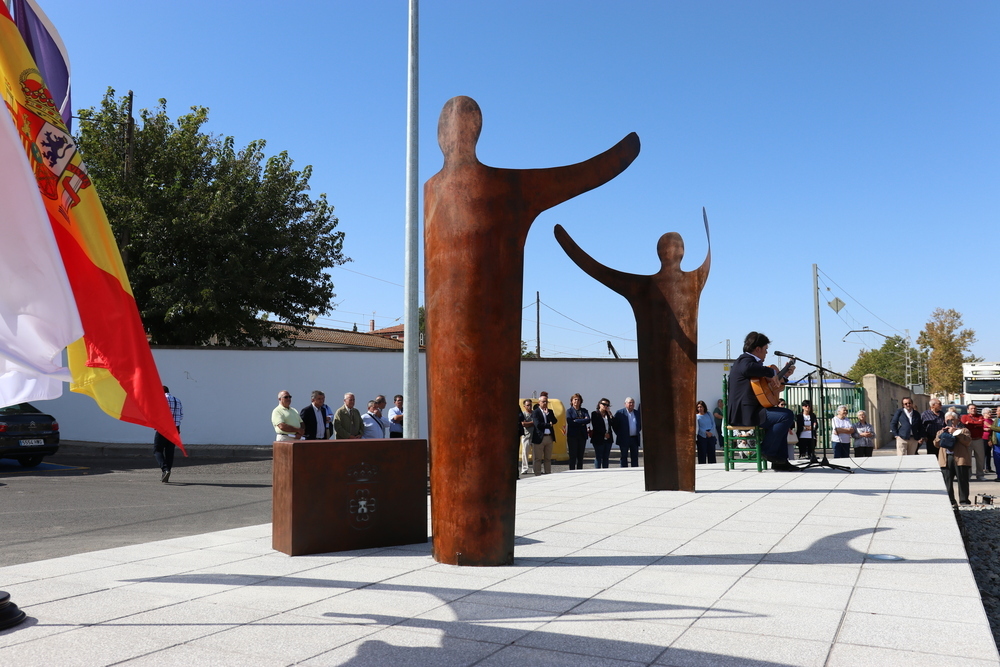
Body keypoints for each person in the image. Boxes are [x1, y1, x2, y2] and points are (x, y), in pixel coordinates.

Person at [726, 331, 798, 471]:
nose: (766, 353)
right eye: (765, 350)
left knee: (784, 416)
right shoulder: (745, 360)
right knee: (785, 416)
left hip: (755, 410)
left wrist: (784, 375)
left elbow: (766, 387)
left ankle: (780, 461)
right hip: (745, 413)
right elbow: (749, 369)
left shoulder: (755, 366)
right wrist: (772, 373)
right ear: (757, 349)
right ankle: (768, 451)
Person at [937, 412, 972, 506]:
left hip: (960, 459)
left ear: (957, 420)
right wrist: (942, 435)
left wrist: (955, 432)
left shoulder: (964, 430)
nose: (950, 421)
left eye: (952, 419)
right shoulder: (941, 431)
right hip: (946, 459)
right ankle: (950, 501)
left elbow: (967, 442)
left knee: (962, 480)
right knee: (947, 481)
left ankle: (964, 500)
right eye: (947, 420)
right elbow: (935, 444)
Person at [153, 386, 183, 483]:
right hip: (174, 430)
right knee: (170, 453)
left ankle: (165, 469)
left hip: (163, 429)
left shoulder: (161, 400)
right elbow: (180, 416)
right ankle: (167, 472)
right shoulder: (177, 400)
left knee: (157, 450)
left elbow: (157, 413)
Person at [531, 394, 558, 475]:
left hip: (549, 437)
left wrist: (548, 414)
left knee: (548, 458)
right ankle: (537, 474)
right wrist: (548, 425)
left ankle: (548, 473)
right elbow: (538, 424)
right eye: (543, 401)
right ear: (539, 402)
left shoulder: (550, 411)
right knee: (538, 458)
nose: (545, 403)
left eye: (546, 401)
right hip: (539, 438)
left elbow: (555, 421)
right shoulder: (536, 412)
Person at [612, 397, 642, 467]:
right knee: (624, 456)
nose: (631, 404)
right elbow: (615, 425)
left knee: (634, 457)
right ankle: (623, 470)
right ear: (625, 404)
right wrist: (619, 434)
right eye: (629, 402)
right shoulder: (620, 413)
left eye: (633, 402)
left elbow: (640, 425)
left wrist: (636, 431)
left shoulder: (637, 413)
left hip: (634, 438)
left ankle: (635, 471)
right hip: (624, 438)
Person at [961, 404, 987, 480]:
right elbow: (966, 425)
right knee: (968, 458)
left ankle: (980, 475)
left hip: (978, 439)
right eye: (971, 408)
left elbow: (981, 424)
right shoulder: (964, 417)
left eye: (975, 408)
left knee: (980, 458)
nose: (973, 409)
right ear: (968, 409)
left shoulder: (980, 416)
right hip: (968, 440)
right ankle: (968, 475)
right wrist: (975, 424)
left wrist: (971, 423)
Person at [565, 393, 590, 470]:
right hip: (573, 436)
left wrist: (577, 420)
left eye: (578, 399)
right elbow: (570, 422)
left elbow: (588, 420)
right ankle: (571, 471)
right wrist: (582, 421)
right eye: (575, 399)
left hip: (582, 435)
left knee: (580, 456)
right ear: (572, 401)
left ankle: (580, 470)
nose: (577, 401)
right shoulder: (569, 411)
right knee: (573, 455)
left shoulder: (584, 410)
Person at [590, 398, 614, 468]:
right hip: (598, 438)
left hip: (608, 439)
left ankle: (605, 471)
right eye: (603, 404)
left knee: (606, 457)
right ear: (599, 404)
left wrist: (610, 414)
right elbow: (596, 426)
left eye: (607, 405)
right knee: (599, 456)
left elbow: (613, 424)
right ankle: (597, 471)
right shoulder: (595, 414)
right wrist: (604, 434)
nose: (605, 406)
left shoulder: (608, 415)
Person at [695, 400, 716, 464]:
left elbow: (713, 423)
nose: (700, 408)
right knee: (702, 452)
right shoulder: (696, 416)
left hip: (711, 434)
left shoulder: (708, 414)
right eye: (698, 407)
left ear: (704, 407)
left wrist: (711, 432)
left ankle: (712, 465)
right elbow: (698, 426)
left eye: (701, 407)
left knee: (711, 452)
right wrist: (705, 432)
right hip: (702, 435)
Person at [518, 399, 534, 474]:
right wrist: (532, 423)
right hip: (526, 435)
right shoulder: (523, 414)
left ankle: (535, 468)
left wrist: (529, 423)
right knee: (525, 453)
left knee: (535, 454)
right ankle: (524, 468)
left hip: (534, 436)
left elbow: (537, 422)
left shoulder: (534, 413)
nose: (529, 407)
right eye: (528, 405)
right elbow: (523, 424)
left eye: (530, 405)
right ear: (524, 406)